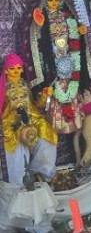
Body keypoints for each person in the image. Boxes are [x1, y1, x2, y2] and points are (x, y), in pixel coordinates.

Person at [29, 0, 90, 134]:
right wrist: (38, 26)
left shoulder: (68, 18)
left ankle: (74, 122)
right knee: (56, 94)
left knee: (72, 89)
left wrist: (82, 32)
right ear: (45, 0)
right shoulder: (42, 18)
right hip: (53, 66)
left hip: (70, 63)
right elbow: (36, 43)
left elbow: (76, 39)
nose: (54, 3)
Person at [1, 53, 58, 185]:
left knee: (46, 136)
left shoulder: (25, 84)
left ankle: (43, 174)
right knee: (16, 148)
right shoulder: (2, 87)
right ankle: (18, 184)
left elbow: (36, 105)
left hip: (32, 117)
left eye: (19, 68)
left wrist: (44, 96)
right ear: (6, 70)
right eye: (12, 69)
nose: (16, 71)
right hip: (11, 121)